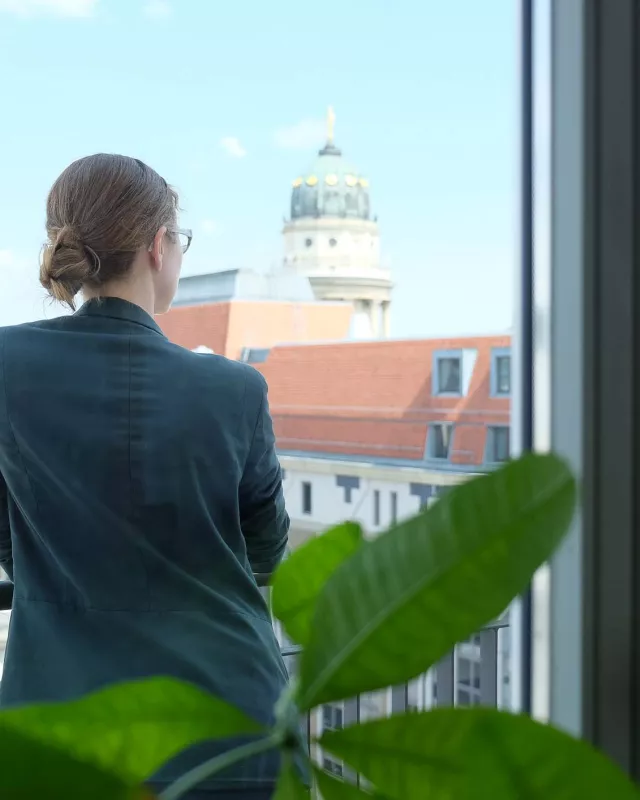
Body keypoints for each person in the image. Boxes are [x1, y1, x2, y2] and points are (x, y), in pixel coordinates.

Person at [0, 154, 291, 799]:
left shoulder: (4, 366)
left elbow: (6, 536)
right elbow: (267, 548)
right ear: (160, 247)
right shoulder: (234, 389)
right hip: (228, 725)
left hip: (59, 720)